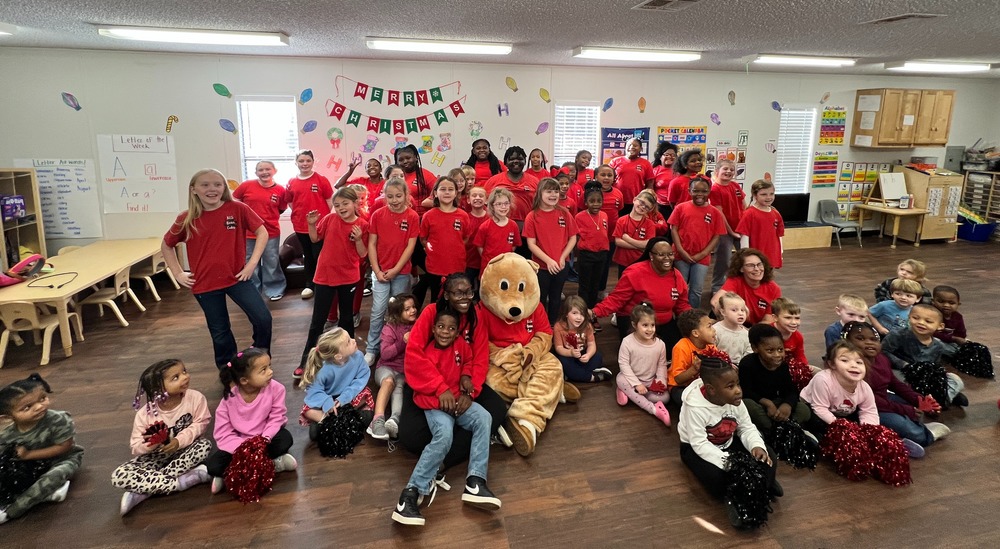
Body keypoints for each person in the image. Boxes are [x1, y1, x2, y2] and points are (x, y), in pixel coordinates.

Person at [392, 308, 501, 526]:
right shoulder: (427, 352)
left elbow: (468, 360)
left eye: (451, 328)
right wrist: (442, 396)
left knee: (484, 418)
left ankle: (476, 481)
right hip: (436, 406)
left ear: (458, 332)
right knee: (444, 435)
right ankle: (410, 494)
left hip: (458, 402)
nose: (445, 332)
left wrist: (466, 377)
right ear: (433, 329)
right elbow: (420, 384)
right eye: (441, 327)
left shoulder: (461, 345)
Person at [162, 169, 272, 370]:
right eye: (205, 185)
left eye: (217, 184)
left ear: (224, 188)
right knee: (220, 332)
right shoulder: (186, 218)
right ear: (194, 189)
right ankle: (228, 370)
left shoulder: (238, 209)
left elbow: (262, 232)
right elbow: (167, 244)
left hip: (238, 278)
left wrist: (252, 263)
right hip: (205, 284)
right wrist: (177, 273)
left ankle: (260, 356)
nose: (212, 189)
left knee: (263, 318)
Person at [399, 273, 508, 471]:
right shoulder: (431, 313)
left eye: (468, 293)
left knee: (498, 409)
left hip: (462, 383)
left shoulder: (476, 316)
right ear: (447, 295)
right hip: (428, 383)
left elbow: (480, 358)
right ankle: (473, 432)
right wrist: (440, 388)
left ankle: (446, 459)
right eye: (458, 293)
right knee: (410, 438)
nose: (465, 298)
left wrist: (470, 392)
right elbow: (414, 354)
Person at [678, 357, 779, 530]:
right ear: (711, 389)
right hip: (696, 448)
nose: (738, 391)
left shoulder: (736, 401)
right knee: (717, 478)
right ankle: (735, 499)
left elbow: (746, 428)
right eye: (730, 387)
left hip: (728, 441)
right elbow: (699, 444)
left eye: (738, 384)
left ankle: (762, 484)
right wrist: (731, 463)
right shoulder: (695, 407)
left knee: (769, 457)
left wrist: (756, 446)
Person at [113, 359, 210, 515]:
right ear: (158, 389)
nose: (185, 377)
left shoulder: (195, 398)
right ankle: (182, 481)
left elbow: (201, 423)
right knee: (119, 475)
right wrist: (150, 443)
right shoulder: (144, 414)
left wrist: (178, 441)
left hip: (185, 450)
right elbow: (135, 447)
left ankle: (145, 490)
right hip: (156, 456)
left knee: (204, 446)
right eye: (176, 377)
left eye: (184, 371)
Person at [843, 321, 950, 458]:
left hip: (882, 399)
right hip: (862, 409)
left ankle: (896, 437)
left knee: (909, 407)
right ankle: (924, 435)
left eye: (874, 339)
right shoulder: (852, 367)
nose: (869, 342)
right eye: (860, 338)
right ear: (846, 342)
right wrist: (906, 410)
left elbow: (894, 383)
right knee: (906, 425)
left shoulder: (881, 358)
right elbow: (872, 401)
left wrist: (919, 400)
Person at [296, 186, 368, 377]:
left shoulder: (362, 224)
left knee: (346, 319)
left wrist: (358, 239)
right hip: (325, 276)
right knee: (317, 321)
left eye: (345, 203)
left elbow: (363, 254)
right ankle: (307, 360)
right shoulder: (329, 219)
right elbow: (314, 238)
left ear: (355, 203)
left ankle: (349, 358)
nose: (341, 208)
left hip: (348, 277)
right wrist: (311, 224)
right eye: (337, 205)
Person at [205, 349, 296, 495]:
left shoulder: (276, 388)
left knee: (285, 439)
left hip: (265, 439)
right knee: (213, 465)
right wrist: (244, 450)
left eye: (269, 366)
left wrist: (263, 440)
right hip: (240, 445)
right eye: (263, 370)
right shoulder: (228, 400)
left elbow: (276, 418)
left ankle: (275, 463)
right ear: (244, 380)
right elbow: (223, 433)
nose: (270, 372)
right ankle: (228, 474)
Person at [0, 374, 84, 524]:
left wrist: (29, 455)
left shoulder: (58, 419)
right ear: (7, 417)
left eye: (42, 398)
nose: (39, 406)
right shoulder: (7, 434)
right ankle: (48, 494)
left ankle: (12, 511)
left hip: (62, 459)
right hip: (29, 466)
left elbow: (65, 446)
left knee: (53, 476)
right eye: (27, 407)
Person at [592, 237, 690, 347]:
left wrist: (695, 320)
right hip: (636, 320)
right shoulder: (635, 272)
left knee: (678, 348)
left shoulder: (677, 275)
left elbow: (682, 304)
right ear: (651, 256)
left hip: (664, 321)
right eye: (661, 254)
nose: (667, 258)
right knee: (642, 351)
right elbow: (616, 299)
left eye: (670, 254)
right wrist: (595, 312)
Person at [364, 177, 418, 365]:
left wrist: (396, 270)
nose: (394, 200)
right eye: (390, 196)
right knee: (378, 310)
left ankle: (399, 346)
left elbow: (410, 247)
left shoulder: (412, 216)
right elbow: (372, 244)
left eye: (398, 196)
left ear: (406, 195)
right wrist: (376, 270)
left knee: (400, 311)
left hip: (401, 273)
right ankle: (372, 348)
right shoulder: (378, 215)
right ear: (384, 196)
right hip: (380, 272)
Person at [882, 303, 968, 407]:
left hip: (925, 377)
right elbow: (883, 352)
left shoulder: (938, 345)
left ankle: (941, 398)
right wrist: (904, 365)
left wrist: (937, 377)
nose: (921, 323)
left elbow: (935, 365)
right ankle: (932, 399)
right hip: (902, 371)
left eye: (928, 321)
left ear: (940, 326)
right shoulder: (897, 335)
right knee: (898, 382)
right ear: (909, 317)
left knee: (956, 379)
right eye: (915, 318)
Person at [298, 327, 374, 440]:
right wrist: (326, 402)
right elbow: (314, 390)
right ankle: (339, 420)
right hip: (327, 398)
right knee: (308, 410)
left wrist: (345, 397)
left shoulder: (358, 356)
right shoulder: (322, 368)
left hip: (347, 396)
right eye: (348, 342)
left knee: (365, 395)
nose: (354, 340)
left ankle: (329, 422)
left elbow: (361, 379)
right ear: (338, 356)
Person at [737, 325, 812, 437]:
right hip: (759, 404)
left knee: (804, 410)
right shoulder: (747, 364)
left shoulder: (783, 366)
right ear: (755, 348)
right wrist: (767, 403)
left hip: (777, 403)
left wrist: (787, 405)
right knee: (748, 405)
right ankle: (771, 430)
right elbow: (745, 392)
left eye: (780, 350)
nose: (777, 355)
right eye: (770, 350)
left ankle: (787, 427)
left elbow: (791, 390)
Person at [523, 177, 579, 322]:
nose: (553, 195)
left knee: (556, 297)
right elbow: (531, 244)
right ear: (540, 193)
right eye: (549, 191)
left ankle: (553, 323)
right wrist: (548, 261)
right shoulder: (532, 216)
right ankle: (540, 325)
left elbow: (573, 238)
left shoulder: (564, 213)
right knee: (540, 298)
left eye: (556, 191)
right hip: (541, 267)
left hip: (561, 265)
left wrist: (562, 257)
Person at [413, 176, 472, 307]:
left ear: (456, 193)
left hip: (457, 266)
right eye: (443, 189)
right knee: (437, 301)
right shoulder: (428, 216)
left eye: (450, 189)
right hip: (435, 267)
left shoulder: (463, 216)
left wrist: (454, 247)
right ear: (435, 193)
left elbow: (465, 238)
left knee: (456, 301)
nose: (447, 192)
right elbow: (423, 239)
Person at [233, 161, 288, 301]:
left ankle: (275, 289)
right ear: (256, 172)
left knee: (271, 261)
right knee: (250, 262)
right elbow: (234, 201)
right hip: (248, 233)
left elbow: (281, 208)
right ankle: (253, 290)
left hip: (271, 232)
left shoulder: (280, 190)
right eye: (260, 170)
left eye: (267, 169)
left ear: (274, 170)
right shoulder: (246, 185)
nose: (264, 172)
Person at [800, 340, 877, 439]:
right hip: (814, 407)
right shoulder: (823, 379)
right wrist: (842, 427)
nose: (854, 365)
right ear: (832, 364)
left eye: (859, 362)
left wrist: (869, 432)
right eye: (844, 360)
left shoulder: (864, 387)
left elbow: (869, 411)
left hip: (839, 412)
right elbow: (819, 408)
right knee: (819, 428)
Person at [669, 176, 726, 308]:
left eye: (704, 191)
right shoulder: (680, 208)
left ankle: (693, 314)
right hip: (681, 255)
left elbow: (716, 236)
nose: (700, 194)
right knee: (680, 287)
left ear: (709, 191)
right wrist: (681, 250)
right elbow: (674, 229)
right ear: (689, 191)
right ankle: (679, 312)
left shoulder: (715, 212)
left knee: (696, 289)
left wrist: (703, 254)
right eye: (695, 191)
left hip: (702, 258)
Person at [367, 293, 417, 441]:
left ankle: (394, 419)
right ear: (397, 313)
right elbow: (385, 354)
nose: (413, 310)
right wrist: (402, 341)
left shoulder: (417, 325)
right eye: (407, 309)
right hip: (386, 367)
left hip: (404, 371)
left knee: (399, 386)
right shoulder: (389, 328)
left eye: (413, 307)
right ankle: (377, 420)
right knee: (389, 381)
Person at [286, 149, 333, 299]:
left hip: (320, 226)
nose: (305, 164)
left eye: (308, 160)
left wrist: (321, 219)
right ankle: (309, 285)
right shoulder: (291, 182)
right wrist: (301, 214)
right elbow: (290, 202)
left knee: (319, 255)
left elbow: (329, 201)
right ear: (296, 163)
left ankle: (323, 284)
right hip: (300, 225)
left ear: (313, 162)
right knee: (308, 256)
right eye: (301, 161)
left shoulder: (321, 180)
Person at [616, 303, 672, 427]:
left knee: (664, 398)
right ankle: (653, 410)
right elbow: (623, 364)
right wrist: (637, 384)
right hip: (630, 379)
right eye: (645, 325)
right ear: (634, 325)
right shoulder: (627, 342)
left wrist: (661, 380)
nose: (650, 329)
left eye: (652, 325)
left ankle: (630, 394)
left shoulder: (660, 344)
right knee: (621, 380)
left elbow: (662, 365)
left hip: (649, 380)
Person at [710, 248, 782, 326]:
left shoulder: (773, 289)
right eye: (751, 265)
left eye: (759, 264)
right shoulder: (735, 281)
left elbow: (768, 321)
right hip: (734, 321)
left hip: (757, 327)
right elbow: (715, 302)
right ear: (741, 268)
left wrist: (748, 331)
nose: (757, 269)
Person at [552, 295, 610, 383]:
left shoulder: (587, 326)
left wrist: (588, 355)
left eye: (582, 314)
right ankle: (591, 377)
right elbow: (559, 348)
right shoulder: (559, 327)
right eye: (574, 313)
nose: (579, 317)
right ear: (566, 314)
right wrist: (570, 353)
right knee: (562, 362)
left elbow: (591, 344)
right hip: (567, 354)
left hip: (582, 354)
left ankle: (573, 374)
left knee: (597, 357)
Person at [668, 309, 721, 403]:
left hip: (701, 385)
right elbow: (678, 379)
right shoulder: (681, 347)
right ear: (695, 333)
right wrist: (694, 369)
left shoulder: (711, 346)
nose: (714, 330)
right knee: (689, 399)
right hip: (680, 387)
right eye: (709, 326)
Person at [708, 159, 745, 294]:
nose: (729, 171)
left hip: (740, 229)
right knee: (724, 260)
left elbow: (744, 206)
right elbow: (720, 214)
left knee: (745, 258)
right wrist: (731, 232)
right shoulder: (715, 189)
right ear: (717, 171)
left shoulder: (735, 185)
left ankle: (742, 285)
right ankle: (717, 287)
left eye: (731, 169)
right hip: (724, 231)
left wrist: (744, 227)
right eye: (725, 169)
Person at [574, 182, 610, 316]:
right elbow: (576, 236)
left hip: (601, 254)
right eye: (592, 201)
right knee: (584, 286)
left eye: (599, 201)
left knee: (595, 285)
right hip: (586, 255)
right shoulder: (579, 217)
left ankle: (592, 313)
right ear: (586, 202)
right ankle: (582, 313)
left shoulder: (604, 215)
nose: (596, 204)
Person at [483, 146, 538, 232]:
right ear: (505, 162)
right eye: (512, 159)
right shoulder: (493, 181)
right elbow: (485, 203)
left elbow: (539, 205)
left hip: (527, 229)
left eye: (520, 159)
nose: (516, 161)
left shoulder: (535, 182)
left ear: (525, 161)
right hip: (499, 228)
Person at [590, 164, 624, 297]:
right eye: (603, 175)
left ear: (614, 178)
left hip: (610, 236)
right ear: (595, 176)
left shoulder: (618, 193)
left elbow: (619, 210)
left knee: (605, 264)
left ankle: (601, 289)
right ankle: (588, 290)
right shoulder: (590, 193)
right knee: (591, 265)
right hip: (592, 236)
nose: (606, 178)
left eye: (609, 175)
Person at [736, 179, 784, 269]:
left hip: (771, 255)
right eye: (763, 194)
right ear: (755, 195)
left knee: (768, 276)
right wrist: (746, 256)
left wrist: (780, 253)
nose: (768, 197)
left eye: (771, 194)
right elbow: (744, 236)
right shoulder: (749, 214)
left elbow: (779, 235)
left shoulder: (776, 213)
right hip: (756, 257)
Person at [612, 189, 658, 279]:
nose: (643, 207)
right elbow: (618, 242)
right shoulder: (621, 220)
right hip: (623, 260)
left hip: (640, 261)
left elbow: (648, 244)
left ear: (650, 210)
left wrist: (627, 239)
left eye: (647, 207)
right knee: (623, 282)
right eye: (642, 202)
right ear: (634, 199)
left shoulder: (650, 224)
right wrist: (640, 247)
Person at [474, 187, 522, 270]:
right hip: (489, 267)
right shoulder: (485, 226)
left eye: (506, 203)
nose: (503, 207)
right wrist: (489, 260)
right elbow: (479, 247)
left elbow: (514, 245)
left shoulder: (513, 225)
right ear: (492, 206)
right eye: (499, 204)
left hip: (506, 267)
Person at [771, 296, 815, 387]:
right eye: (788, 318)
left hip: (790, 365)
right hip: (772, 365)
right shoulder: (767, 333)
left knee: (817, 373)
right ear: (775, 317)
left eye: (797, 318)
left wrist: (805, 367)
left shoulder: (798, 336)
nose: (794, 322)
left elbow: (800, 355)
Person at [609, 138, 655, 210]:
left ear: (641, 149)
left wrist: (647, 198)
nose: (632, 147)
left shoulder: (646, 163)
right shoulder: (615, 161)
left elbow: (650, 183)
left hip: (637, 201)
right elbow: (608, 179)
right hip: (617, 200)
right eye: (629, 145)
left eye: (635, 145)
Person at [395, 145, 436, 217]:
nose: (405, 161)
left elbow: (438, 195)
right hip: (400, 216)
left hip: (422, 217)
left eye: (408, 158)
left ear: (416, 158)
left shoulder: (425, 175)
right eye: (401, 160)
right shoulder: (394, 177)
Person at [713, 292, 752, 365]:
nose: (740, 313)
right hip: (718, 366)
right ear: (723, 312)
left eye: (742, 310)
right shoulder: (715, 330)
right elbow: (710, 351)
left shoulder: (747, 334)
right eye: (734, 310)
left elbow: (748, 354)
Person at [464, 184, 488, 285]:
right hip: (468, 262)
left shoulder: (491, 219)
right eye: (474, 195)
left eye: (481, 196)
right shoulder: (465, 218)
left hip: (486, 262)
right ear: (468, 200)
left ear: (486, 200)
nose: (477, 198)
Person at [931, 285, 966, 355]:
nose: (946, 305)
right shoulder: (930, 314)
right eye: (941, 301)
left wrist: (960, 340)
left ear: (958, 304)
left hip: (951, 342)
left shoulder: (958, 317)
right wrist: (953, 338)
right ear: (933, 301)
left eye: (951, 303)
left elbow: (961, 333)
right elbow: (930, 332)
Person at [651, 141, 679, 220]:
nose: (670, 157)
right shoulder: (654, 170)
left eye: (673, 155)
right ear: (660, 157)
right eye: (666, 155)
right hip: (659, 206)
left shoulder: (680, 171)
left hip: (676, 206)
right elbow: (650, 188)